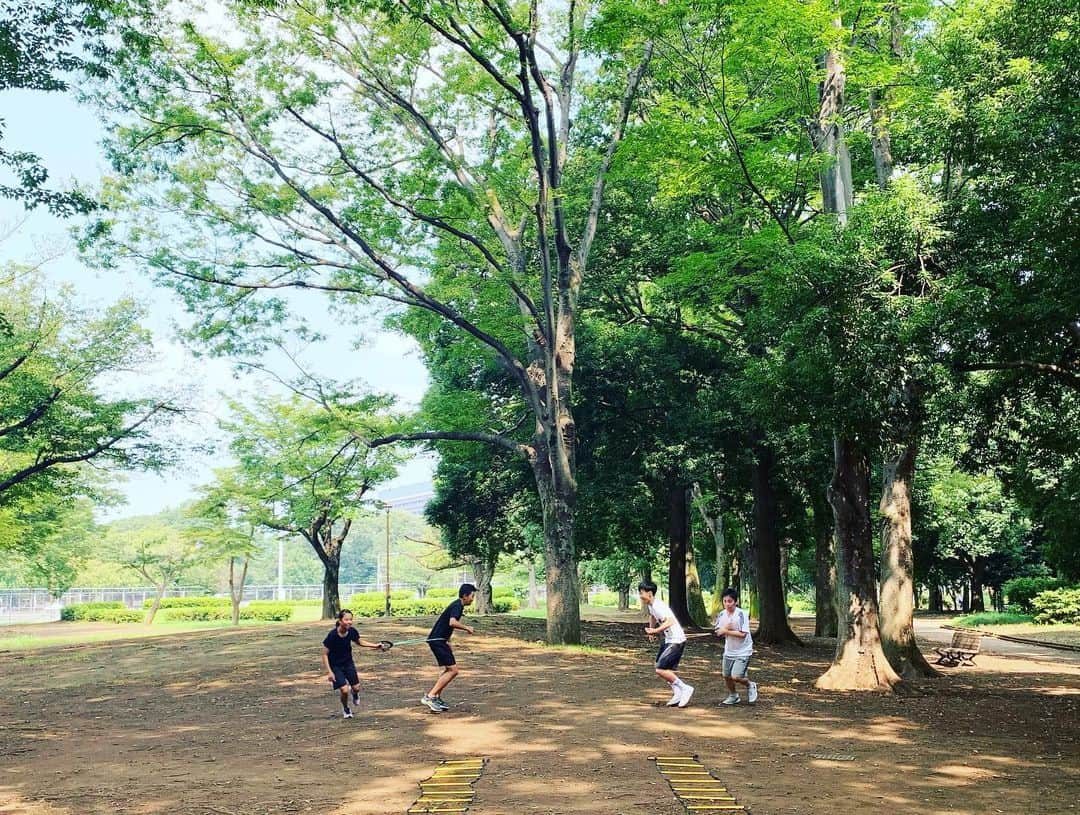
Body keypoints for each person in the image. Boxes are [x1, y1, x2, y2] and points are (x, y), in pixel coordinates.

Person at [420, 583, 476, 713]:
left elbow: (446, 625)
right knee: (453, 670)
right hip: (437, 641)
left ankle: (436, 697)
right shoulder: (458, 605)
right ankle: (430, 696)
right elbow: (452, 622)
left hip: (440, 641)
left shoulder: (457, 604)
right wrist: (467, 628)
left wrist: (448, 641)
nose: (473, 599)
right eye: (472, 596)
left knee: (449, 669)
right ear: (465, 596)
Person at [321, 609, 387, 719]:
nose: (349, 622)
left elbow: (359, 642)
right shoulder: (332, 635)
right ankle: (346, 708)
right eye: (346, 620)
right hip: (335, 666)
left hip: (348, 663)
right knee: (344, 690)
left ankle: (355, 694)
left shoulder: (352, 631)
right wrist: (329, 672)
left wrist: (375, 646)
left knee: (356, 688)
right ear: (340, 621)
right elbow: (324, 654)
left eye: (350, 620)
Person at [638, 580, 694, 707]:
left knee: (660, 669)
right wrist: (651, 631)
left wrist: (655, 630)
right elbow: (652, 616)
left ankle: (685, 688)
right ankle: (677, 692)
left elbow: (670, 621)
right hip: (669, 639)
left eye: (642, 593)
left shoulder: (658, 605)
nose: (640, 595)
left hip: (676, 640)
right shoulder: (651, 605)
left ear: (650, 593)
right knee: (661, 667)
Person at [714, 587, 757, 705]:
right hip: (729, 650)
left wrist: (726, 630)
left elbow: (743, 634)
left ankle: (750, 685)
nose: (727, 604)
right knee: (726, 675)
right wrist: (725, 629)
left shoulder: (742, 614)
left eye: (730, 601)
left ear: (736, 601)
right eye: (725, 601)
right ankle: (733, 695)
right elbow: (718, 632)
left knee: (736, 676)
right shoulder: (721, 615)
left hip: (744, 650)